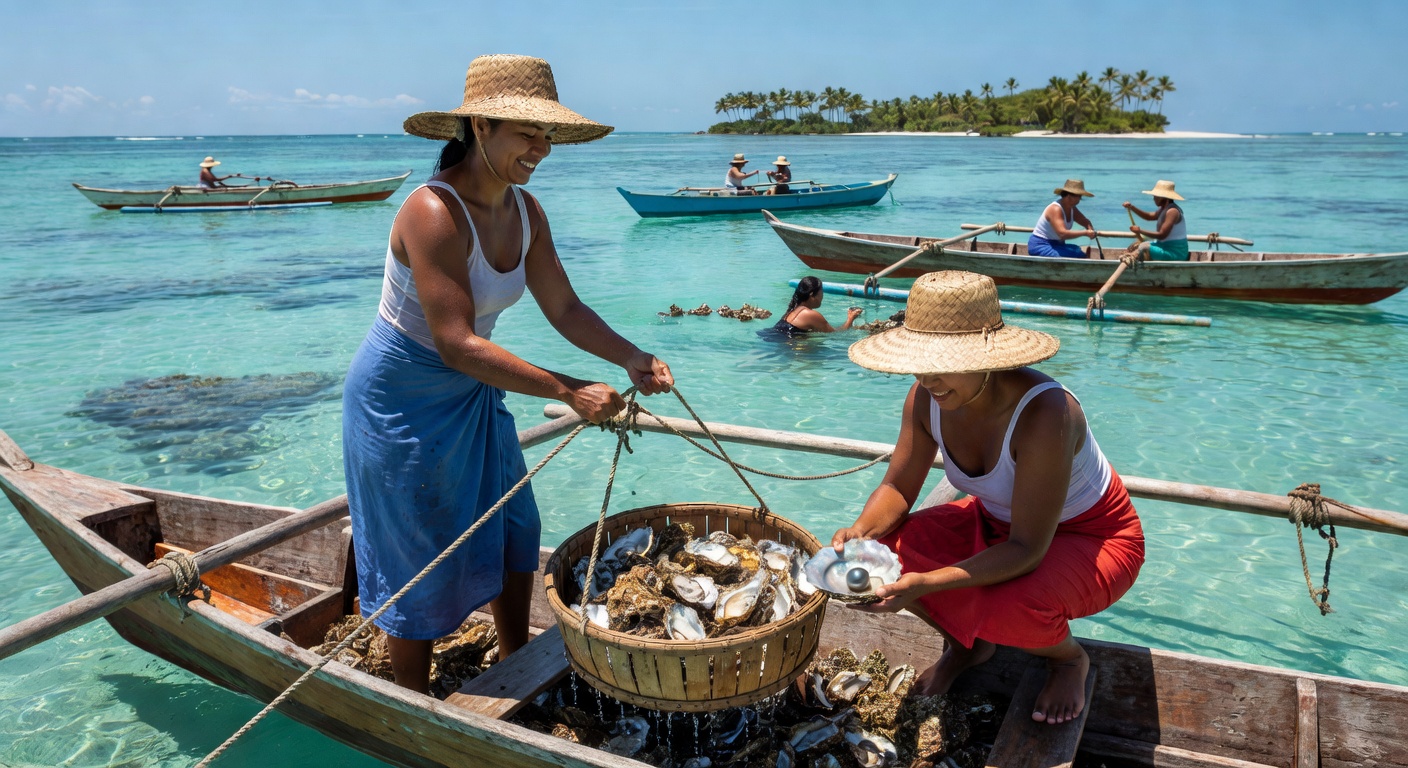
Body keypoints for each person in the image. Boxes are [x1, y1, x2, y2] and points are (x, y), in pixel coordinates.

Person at [342, 54, 674, 694]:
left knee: (515, 523)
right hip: (401, 395)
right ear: (481, 127)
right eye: (528, 133)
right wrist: (566, 389)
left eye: (547, 135)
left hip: (473, 391)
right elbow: (458, 343)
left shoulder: (527, 211)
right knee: (420, 549)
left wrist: (628, 356)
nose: (542, 149)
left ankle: (514, 655)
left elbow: (566, 307)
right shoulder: (432, 211)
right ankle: (409, 697)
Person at [830, 271, 1144, 724]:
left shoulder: (1045, 412)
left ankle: (1068, 659)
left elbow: (1027, 550)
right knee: (883, 554)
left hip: (1094, 538)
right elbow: (898, 488)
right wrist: (860, 533)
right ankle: (967, 646)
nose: (928, 378)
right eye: (920, 362)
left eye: (943, 363)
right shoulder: (925, 397)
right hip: (996, 523)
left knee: (1011, 604)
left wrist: (926, 583)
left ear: (985, 357)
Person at [1028, 179, 1097, 258]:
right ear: (1068, 196)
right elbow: (1062, 234)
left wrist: (1090, 229)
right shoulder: (1055, 209)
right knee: (1078, 255)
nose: (1080, 199)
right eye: (1079, 196)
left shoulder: (1072, 208)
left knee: (1076, 249)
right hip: (1040, 246)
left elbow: (1085, 221)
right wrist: (1085, 233)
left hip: (1058, 244)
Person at [771, 276, 862, 335]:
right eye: (821, 292)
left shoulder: (793, 310)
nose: (822, 296)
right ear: (812, 295)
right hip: (782, 345)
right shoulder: (809, 314)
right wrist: (851, 318)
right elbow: (835, 334)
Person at [1123, 180, 1189, 261]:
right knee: (1133, 247)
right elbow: (1149, 216)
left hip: (1175, 252)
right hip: (1163, 246)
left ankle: (1130, 260)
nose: (1154, 198)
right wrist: (1132, 207)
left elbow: (1162, 235)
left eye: (1157, 196)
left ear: (1165, 197)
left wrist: (1140, 230)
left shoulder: (1172, 211)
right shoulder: (1164, 209)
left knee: (1143, 247)